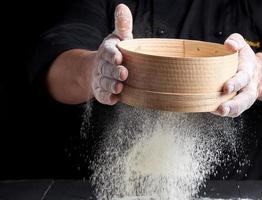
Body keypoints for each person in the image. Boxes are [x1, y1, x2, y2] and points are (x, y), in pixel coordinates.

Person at [32, 0, 262, 179]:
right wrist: (94, 70)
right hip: (106, 183)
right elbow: (53, 58)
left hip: (237, 186)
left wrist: (257, 73)